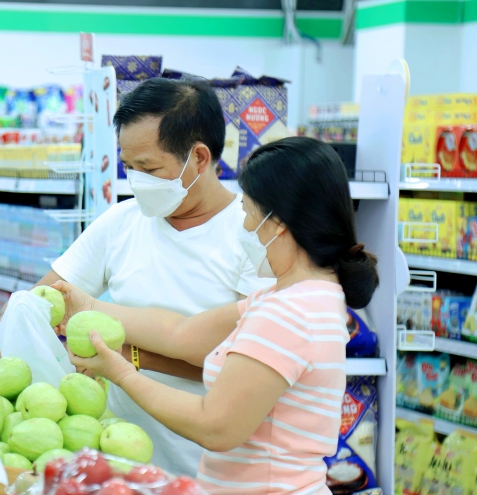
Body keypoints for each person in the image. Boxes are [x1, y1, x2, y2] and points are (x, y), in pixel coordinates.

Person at [0, 77, 273, 476]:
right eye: (129, 166)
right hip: (119, 464)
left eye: (148, 168)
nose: (137, 180)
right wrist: (5, 325)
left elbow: (243, 366)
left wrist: (129, 361)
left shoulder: (254, 234)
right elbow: (47, 293)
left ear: (199, 158)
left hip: (211, 468)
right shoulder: (122, 221)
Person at [55, 137, 380, 494]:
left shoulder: (287, 312)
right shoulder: (305, 295)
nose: (244, 227)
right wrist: (89, 307)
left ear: (279, 222)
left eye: (247, 212)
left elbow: (215, 426)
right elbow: (182, 333)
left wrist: (119, 373)